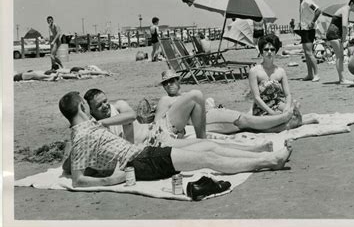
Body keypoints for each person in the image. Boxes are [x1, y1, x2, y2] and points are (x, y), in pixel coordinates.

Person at [59, 91, 292, 187]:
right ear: (82, 106)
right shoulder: (81, 136)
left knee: (207, 146)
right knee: (206, 157)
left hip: (143, 156)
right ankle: (271, 161)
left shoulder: (88, 126)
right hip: (140, 162)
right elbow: (77, 179)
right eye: (89, 106)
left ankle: (264, 155)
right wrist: (110, 180)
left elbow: (70, 164)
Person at [151, 69, 300, 135]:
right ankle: (283, 118)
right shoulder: (165, 100)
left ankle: (286, 125)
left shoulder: (184, 95)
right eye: (166, 83)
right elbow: (157, 126)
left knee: (246, 125)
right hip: (205, 120)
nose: (169, 84)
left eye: (172, 80)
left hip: (211, 113)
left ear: (178, 81)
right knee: (245, 121)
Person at [249, 34, 319, 130]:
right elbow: (257, 98)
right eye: (266, 49)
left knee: (290, 113)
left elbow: (288, 95)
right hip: (262, 108)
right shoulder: (254, 71)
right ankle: (299, 121)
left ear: (276, 51)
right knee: (273, 124)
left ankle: (291, 119)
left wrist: (286, 107)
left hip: (277, 105)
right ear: (261, 51)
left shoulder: (280, 71)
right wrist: (271, 112)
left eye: (272, 49)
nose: (269, 52)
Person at [325, 0, 354, 85]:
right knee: (339, 57)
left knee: (340, 57)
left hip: (334, 33)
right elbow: (344, 26)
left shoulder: (345, 10)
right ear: (352, 3)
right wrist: (344, 37)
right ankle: (342, 79)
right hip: (334, 33)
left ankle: (341, 78)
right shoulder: (346, 9)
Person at [294, 0, 321, 81]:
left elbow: (318, 10)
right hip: (304, 29)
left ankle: (316, 74)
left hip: (308, 29)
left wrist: (312, 22)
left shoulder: (307, 2)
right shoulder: (302, 2)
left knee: (309, 53)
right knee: (306, 53)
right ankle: (310, 74)